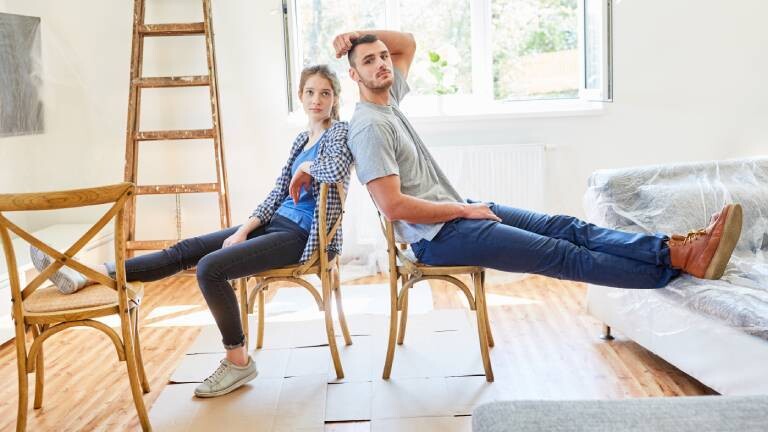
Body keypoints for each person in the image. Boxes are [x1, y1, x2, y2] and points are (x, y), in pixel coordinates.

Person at [30, 64, 353, 398]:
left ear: (334, 99)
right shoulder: (302, 139)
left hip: (304, 238)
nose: (317, 100)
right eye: (311, 92)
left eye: (325, 93)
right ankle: (89, 274)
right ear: (300, 96)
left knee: (210, 268)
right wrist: (243, 230)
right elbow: (276, 194)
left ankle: (238, 360)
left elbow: (336, 168)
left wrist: (305, 167)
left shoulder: (339, 133)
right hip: (276, 225)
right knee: (185, 249)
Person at [334, 29, 742, 289]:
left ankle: (674, 252)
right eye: (369, 61)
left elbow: (407, 40)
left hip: (456, 216)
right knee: (561, 255)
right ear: (354, 76)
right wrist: (463, 210)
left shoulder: (388, 100)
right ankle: (677, 263)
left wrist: (358, 36)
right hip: (437, 238)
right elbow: (393, 206)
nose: (384, 63)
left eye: (383, 56)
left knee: (565, 226)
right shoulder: (370, 126)